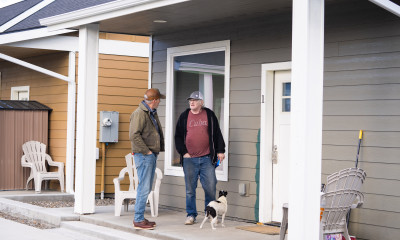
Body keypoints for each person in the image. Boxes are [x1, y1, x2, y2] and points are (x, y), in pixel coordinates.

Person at [174, 91, 226, 225]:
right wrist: (183, 152)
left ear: (201, 102)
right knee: (190, 189)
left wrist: (220, 150)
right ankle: (191, 215)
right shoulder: (184, 116)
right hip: (189, 159)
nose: (192, 102)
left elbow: (217, 133)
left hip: (206, 158)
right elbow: (178, 136)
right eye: (190, 100)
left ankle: (210, 214)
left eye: (195, 100)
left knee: (210, 187)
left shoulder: (209, 114)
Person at [129, 88, 165, 230]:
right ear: (154, 100)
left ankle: (140, 218)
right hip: (144, 156)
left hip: (148, 155)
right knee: (144, 187)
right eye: (159, 99)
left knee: (146, 187)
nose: (160, 102)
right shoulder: (140, 114)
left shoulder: (150, 113)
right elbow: (134, 135)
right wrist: (148, 152)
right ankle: (138, 219)